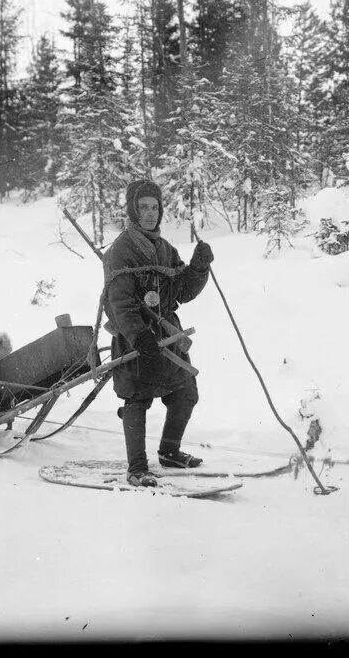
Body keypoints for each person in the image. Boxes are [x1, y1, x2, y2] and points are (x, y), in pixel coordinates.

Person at [102, 180, 214, 487]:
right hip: (135, 338)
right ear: (132, 210)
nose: (151, 214)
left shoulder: (165, 249)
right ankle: (137, 468)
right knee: (136, 399)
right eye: (144, 208)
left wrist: (198, 268)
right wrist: (139, 336)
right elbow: (121, 303)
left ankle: (169, 451)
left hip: (168, 333)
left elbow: (182, 290)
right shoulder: (121, 251)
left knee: (185, 392)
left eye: (155, 207)